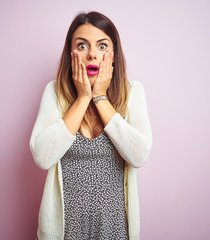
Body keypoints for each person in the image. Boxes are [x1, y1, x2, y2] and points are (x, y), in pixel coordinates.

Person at [29, 11, 152, 240]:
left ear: (114, 54)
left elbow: (139, 155)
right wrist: (83, 98)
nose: (92, 55)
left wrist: (100, 98)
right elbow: (43, 156)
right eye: (83, 46)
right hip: (65, 231)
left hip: (114, 231)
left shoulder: (133, 92)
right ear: (71, 53)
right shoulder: (54, 93)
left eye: (102, 46)